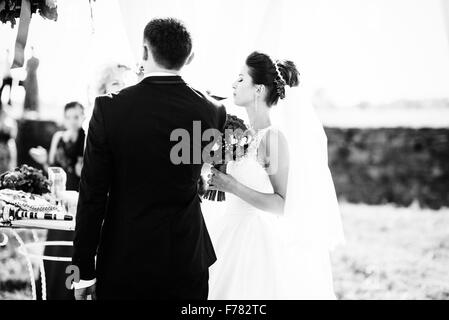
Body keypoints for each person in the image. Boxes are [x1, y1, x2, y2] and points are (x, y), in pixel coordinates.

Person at [72, 18, 226, 300]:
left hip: (125, 257)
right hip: (187, 257)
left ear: (144, 52)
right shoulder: (213, 111)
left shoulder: (109, 109)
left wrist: (82, 269)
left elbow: (93, 193)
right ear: (189, 57)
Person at [205, 51, 345, 299]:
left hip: (254, 239)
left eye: (240, 78)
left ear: (258, 90)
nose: (234, 84)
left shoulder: (272, 138)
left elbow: (282, 203)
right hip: (228, 228)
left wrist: (232, 186)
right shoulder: (243, 133)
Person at [30, 101, 85, 300]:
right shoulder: (58, 137)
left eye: (76, 117)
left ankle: (66, 290)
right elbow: (52, 168)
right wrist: (44, 160)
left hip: (76, 197)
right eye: (69, 116)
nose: (72, 121)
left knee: (70, 243)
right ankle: (49, 287)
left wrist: (82, 169)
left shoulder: (85, 138)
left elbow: (84, 171)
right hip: (59, 195)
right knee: (54, 240)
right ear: (64, 118)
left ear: (83, 117)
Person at [0, 103, 17, 174]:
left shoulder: (8, 115)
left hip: (7, 146)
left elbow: (13, 134)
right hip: (3, 146)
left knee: (9, 171)